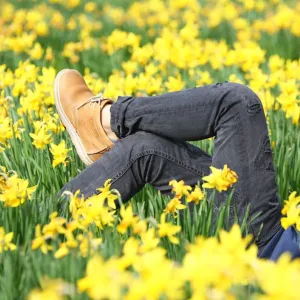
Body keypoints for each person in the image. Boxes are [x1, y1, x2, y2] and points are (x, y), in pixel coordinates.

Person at [55, 69, 300, 260]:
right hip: (280, 235)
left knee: (237, 104)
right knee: (145, 148)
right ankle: (48, 228)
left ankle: (104, 120)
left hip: (269, 250)